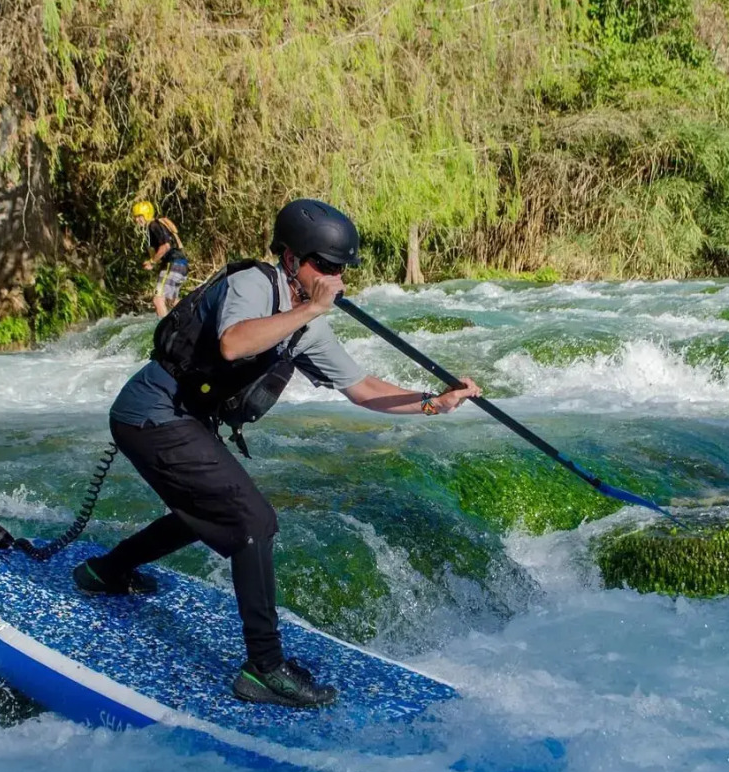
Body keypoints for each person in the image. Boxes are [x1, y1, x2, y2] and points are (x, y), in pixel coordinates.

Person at [83, 198, 481, 709]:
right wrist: (310, 308)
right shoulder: (255, 284)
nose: (334, 277)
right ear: (291, 259)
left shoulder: (309, 325)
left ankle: (107, 572)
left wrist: (432, 403)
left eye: (340, 270)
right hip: (150, 413)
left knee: (208, 513)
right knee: (252, 522)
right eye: (325, 266)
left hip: (185, 419)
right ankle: (264, 669)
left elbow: (361, 388)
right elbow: (233, 343)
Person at [133, 201, 189, 316]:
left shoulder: (153, 225)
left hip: (173, 263)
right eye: (135, 217)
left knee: (158, 300)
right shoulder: (157, 225)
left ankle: (164, 332)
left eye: (139, 216)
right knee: (171, 301)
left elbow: (165, 246)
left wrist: (152, 262)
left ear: (147, 215)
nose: (137, 220)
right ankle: (191, 316)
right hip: (181, 264)